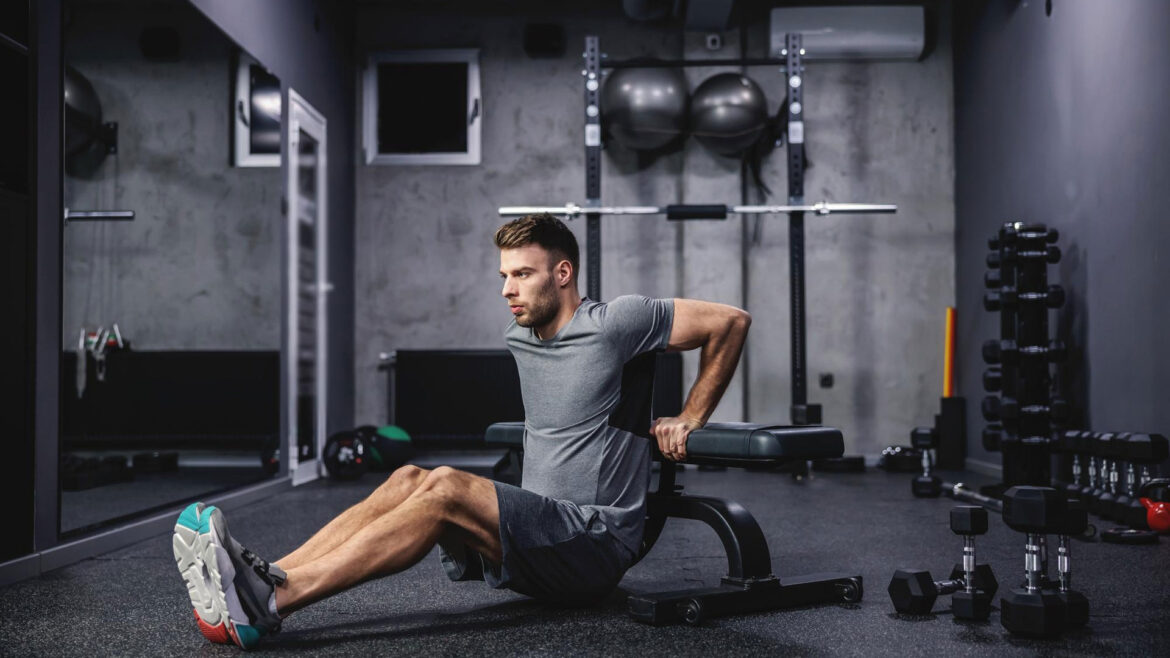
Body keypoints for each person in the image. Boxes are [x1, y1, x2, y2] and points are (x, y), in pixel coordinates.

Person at [172, 213, 751, 649]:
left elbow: (729, 322)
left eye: (522, 274)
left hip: (592, 541)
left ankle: (274, 601)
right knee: (406, 478)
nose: (507, 289)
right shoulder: (519, 337)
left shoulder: (618, 321)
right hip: (537, 531)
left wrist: (690, 415)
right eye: (504, 276)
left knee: (447, 485)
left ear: (563, 273)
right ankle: (268, 576)